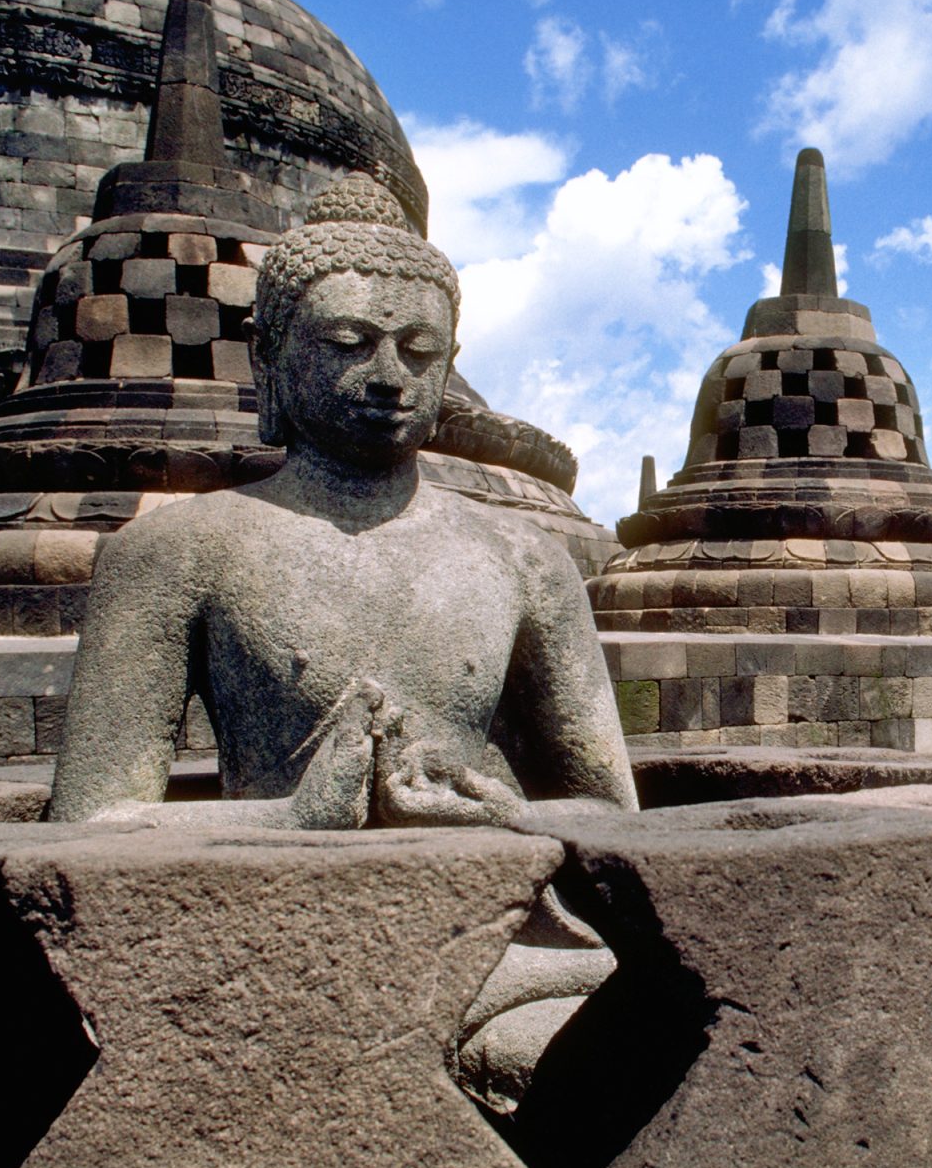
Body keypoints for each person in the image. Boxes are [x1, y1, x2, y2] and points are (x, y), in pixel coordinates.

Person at [48, 175, 636, 826]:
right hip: (259, 913)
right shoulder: (176, 552)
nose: (389, 377)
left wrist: (503, 817)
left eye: (420, 351)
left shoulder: (528, 561)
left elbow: (611, 814)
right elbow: (88, 821)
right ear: (266, 355)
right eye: (346, 344)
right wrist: (290, 818)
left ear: (449, 367)